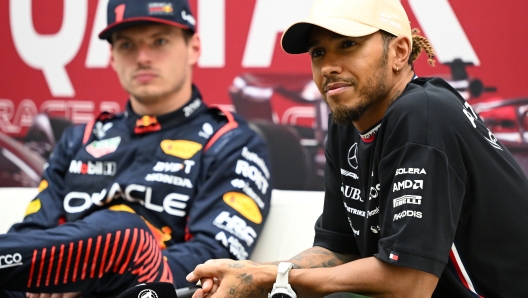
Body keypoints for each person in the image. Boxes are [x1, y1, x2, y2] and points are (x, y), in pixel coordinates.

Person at [186, 0, 528, 297]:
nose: (329, 66)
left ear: (399, 52)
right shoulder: (347, 123)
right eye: (319, 52)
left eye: (348, 44)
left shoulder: (423, 114)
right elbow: (338, 249)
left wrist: (272, 278)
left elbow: (408, 285)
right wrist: (248, 275)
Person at [0, 0, 272, 297]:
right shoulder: (80, 139)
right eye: (127, 45)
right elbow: (28, 237)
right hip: (55, 285)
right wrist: (57, 272)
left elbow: (215, 259)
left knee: (124, 231)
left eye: (159, 41)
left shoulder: (230, 140)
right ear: (113, 57)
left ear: (194, 47)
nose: (143, 57)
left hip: (158, 288)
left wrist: (87, 273)